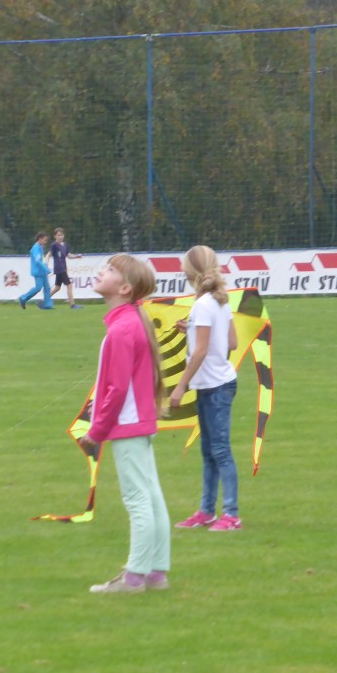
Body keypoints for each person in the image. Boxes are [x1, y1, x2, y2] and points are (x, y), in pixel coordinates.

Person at [78, 254, 171, 594]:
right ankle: (156, 574)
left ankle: (134, 578)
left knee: (137, 500)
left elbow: (117, 389)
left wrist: (96, 432)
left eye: (110, 270)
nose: (101, 271)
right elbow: (119, 384)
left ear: (125, 288)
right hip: (138, 421)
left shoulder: (122, 328)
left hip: (128, 424)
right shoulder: (130, 322)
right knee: (151, 497)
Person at [170, 245, 242, 532]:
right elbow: (232, 342)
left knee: (220, 451)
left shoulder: (202, 304)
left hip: (214, 387)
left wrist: (180, 386)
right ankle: (206, 511)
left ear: (190, 271)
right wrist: (191, 329)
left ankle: (231, 515)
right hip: (218, 384)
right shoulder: (219, 300)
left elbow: (200, 352)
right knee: (210, 451)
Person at [17, 231, 53, 310]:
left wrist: (45, 267)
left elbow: (42, 259)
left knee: (47, 288)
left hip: (42, 271)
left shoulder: (40, 247)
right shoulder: (35, 248)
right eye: (45, 240)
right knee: (38, 287)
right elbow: (38, 261)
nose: (46, 242)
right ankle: (23, 298)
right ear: (40, 239)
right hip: (38, 272)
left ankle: (47, 305)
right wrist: (46, 269)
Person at [49, 227, 83, 309]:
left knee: (57, 287)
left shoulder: (65, 245)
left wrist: (76, 256)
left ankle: (44, 300)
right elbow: (49, 254)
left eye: (62, 235)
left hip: (63, 268)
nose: (60, 237)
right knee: (69, 285)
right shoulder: (54, 245)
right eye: (58, 235)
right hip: (59, 268)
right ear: (55, 236)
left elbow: (68, 255)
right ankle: (72, 305)